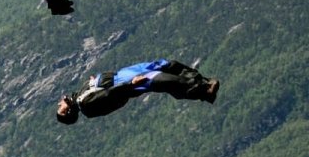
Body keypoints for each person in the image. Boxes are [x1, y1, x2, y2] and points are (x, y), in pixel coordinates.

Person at [55, 59, 219, 124]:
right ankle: (203, 92)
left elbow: (99, 87)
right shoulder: (85, 105)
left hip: (122, 73)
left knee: (167, 65)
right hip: (125, 81)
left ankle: (204, 82)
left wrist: (94, 80)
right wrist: (129, 84)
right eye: (60, 109)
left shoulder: (78, 96)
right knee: (164, 80)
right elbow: (109, 95)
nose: (59, 103)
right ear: (68, 112)